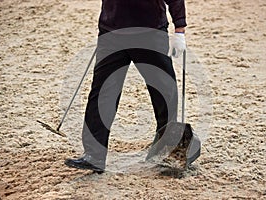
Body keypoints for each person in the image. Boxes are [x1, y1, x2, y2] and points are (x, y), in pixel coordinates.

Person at [65, 0, 187, 173]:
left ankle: (167, 149)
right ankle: (94, 155)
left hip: (150, 31)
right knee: (102, 93)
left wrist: (180, 29)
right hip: (112, 31)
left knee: (164, 92)